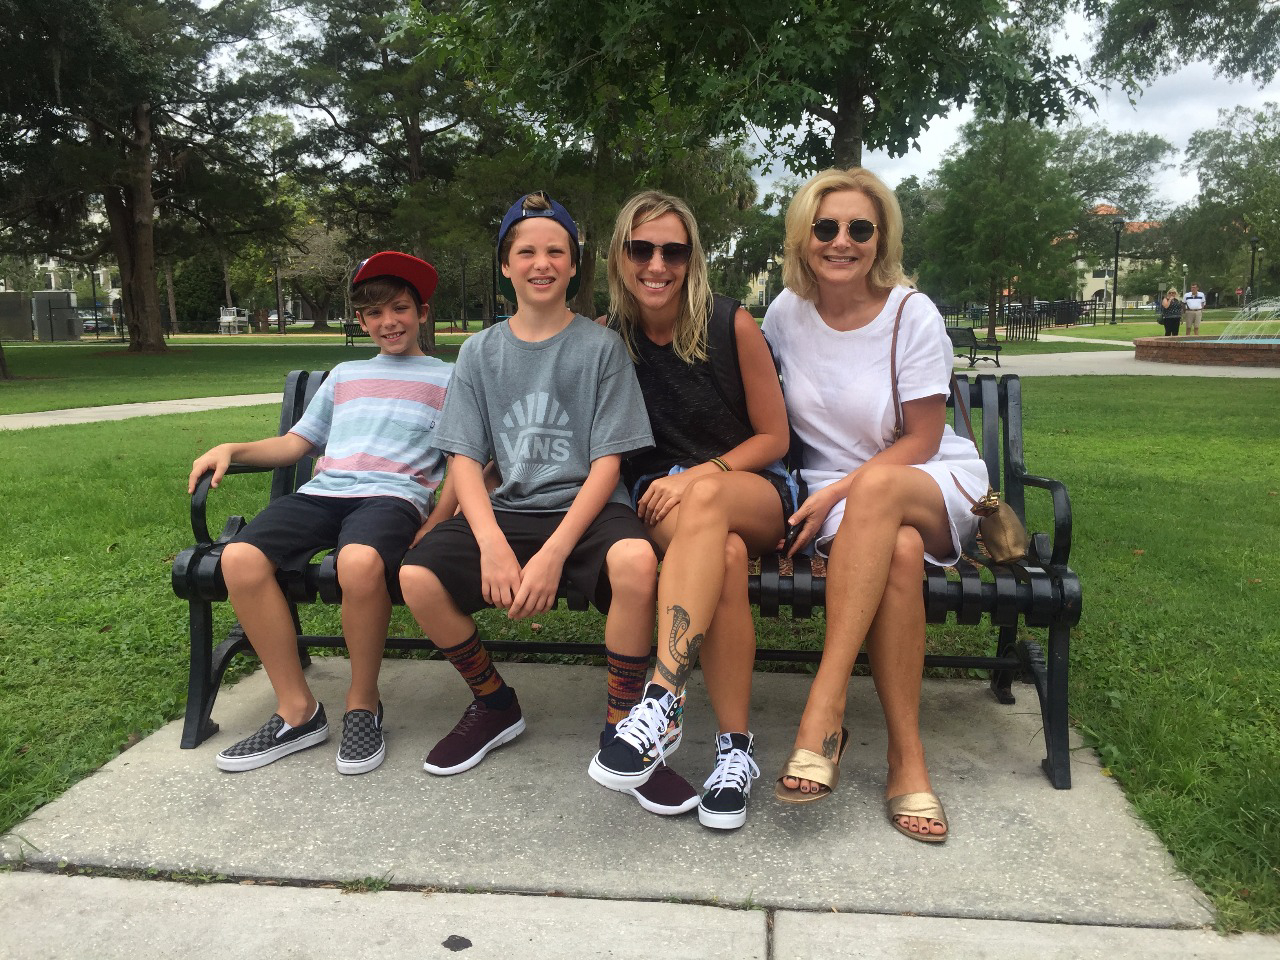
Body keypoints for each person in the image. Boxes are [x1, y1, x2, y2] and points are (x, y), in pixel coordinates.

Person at [398, 192, 662, 802]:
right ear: (506, 265)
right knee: (417, 576)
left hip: (587, 509)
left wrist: (552, 554)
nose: (541, 263)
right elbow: (464, 456)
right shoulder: (479, 353)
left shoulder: (600, 349)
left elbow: (608, 463)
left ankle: (623, 727)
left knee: (636, 560)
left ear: (574, 265)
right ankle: (493, 703)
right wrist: (490, 542)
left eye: (555, 251)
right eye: (526, 251)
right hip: (510, 507)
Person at [761, 168, 991, 844]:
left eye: (860, 228)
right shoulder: (784, 313)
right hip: (845, 505)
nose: (841, 241)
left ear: (880, 237)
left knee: (883, 497)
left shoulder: (910, 313)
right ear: (803, 236)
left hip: (921, 477)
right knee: (897, 552)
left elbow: (922, 437)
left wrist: (839, 487)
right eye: (826, 227)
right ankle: (906, 760)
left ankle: (824, 710)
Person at [189, 252, 454, 774]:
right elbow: (295, 445)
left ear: (422, 312)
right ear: (360, 321)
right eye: (374, 314)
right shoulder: (346, 375)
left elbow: (467, 460)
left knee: (357, 564)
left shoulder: (448, 378)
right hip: (324, 492)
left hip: (392, 497)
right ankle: (297, 710)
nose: (389, 322)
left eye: (400, 308)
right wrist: (232, 448)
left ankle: (363, 703)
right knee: (239, 559)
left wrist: (437, 518)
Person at [586, 191, 793, 830]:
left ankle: (663, 696)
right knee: (725, 557)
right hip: (661, 498)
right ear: (619, 255)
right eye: (641, 248)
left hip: (747, 485)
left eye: (673, 250)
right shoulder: (607, 338)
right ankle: (734, 754)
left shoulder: (731, 324)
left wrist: (702, 475)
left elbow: (774, 438)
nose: (657, 264)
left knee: (713, 510)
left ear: (692, 258)